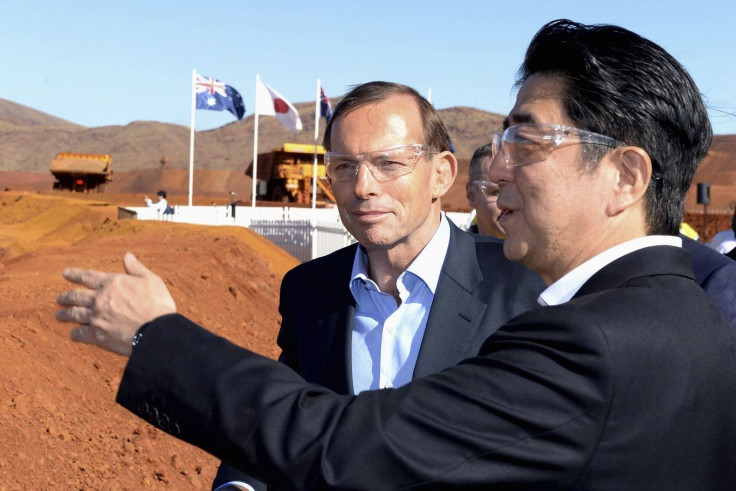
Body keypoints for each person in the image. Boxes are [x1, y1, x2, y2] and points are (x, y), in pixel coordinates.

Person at [56, 20, 736, 489]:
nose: (496, 171)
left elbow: (351, 444)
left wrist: (159, 335)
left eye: (526, 142)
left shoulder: (586, 342)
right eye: (345, 166)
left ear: (625, 176)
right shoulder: (698, 322)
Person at [209, 81, 544, 490]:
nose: (363, 187)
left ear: (442, 174)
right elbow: (283, 421)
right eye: (345, 166)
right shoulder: (309, 291)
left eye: (388, 163)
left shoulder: (524, 288)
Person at [465, 143, 505, 238]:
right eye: (497, 192)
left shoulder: (544, 251)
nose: (511, 202)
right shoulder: (450, 252)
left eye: (519, 191)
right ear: (471, 195)